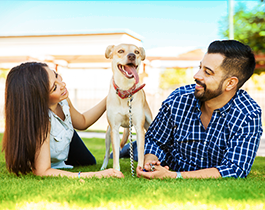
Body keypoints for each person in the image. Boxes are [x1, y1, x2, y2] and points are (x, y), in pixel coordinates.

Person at [136, 40, 263, 179]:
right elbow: (155, 140)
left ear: (230, 83)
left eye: (207, 72)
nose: (196, 75)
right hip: (170, 159)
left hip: (176, 171)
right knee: (136, 149)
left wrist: (174, 176)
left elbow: (234, 169)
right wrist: (150, 160)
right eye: (200, 67)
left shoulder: (248, 115)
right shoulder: (178, 99)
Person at [2, 62, 124, 178]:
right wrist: (94, 175)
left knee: (89, 162)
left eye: (56, 75)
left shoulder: (62, 100)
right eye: (54, 87)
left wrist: (111, 96)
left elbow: (82, 121)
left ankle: (128, 148)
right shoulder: (42, 123)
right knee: (88, 165)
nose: (62, 85)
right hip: (51, 153)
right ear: (39, 99)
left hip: (67, 138)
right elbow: (42, 171)